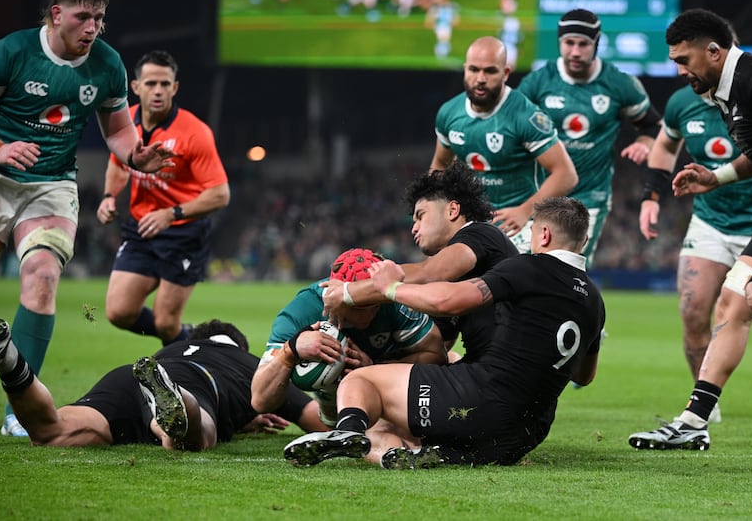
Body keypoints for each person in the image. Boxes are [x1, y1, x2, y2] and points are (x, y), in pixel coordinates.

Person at [0, 0, 176, 437]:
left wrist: (136, 157)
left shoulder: (107, 64)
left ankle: (17, 413)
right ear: (56, 15)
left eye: (99, 18)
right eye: (83, 17)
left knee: (42, 278)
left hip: (53, 185)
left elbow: (118, 129)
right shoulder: (11, 52)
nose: (93, 27)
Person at [284, 197, 605, 468]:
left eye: (534, 233)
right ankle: (405, 454)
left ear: (544, 234)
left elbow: (448, 300)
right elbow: (584, 376)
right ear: (584, 241)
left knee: (362, 381)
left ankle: (348, 432)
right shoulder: (594, 301)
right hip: (523, 436)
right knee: (391, 423)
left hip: (482, 401)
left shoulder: (527, 267)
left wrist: (391, 288)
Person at [629, 8, 752, 451]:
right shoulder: (724, 92)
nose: (679, 70)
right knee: (744, 297)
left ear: (714, 51)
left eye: (684, 60)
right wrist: (716, 177)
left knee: (741, 295)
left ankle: (692, 420)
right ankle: (694, 420)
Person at [0, 317, 326, 450]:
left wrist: (246, 420)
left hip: (131, 376)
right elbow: (315, 418)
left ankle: (10, 360)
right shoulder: (252, 365)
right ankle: (175, 404)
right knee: (192, 438)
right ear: (238, 346)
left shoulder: (175, 347)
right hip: (199, 384)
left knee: (51, 432)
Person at [96, 50, 230, 346]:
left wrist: (172, 213)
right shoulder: (125, 122)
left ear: (175, 87)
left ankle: (184, 357)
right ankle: (190, 340)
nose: (158, 91)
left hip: (184, 233)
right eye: (151, 83)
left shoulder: (195, 132)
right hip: (141, 227)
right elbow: (118, 165)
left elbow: (221, 195)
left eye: (165, 84)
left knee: (166, 322)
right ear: (136, 87)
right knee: (119, 312)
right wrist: (108, 197)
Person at [321, 160, 518, 360]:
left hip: (505, 366)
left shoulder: (481, 232)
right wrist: (372, 363)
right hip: (490, 365)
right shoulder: (454, 277)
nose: (413, 228)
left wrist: (348, 292)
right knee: (447, 360)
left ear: (452, 211)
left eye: (420, 216)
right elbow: (438, 346)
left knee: (360, 383)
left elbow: (428, 273)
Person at [517, 8, 661, 266]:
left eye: (583, 44)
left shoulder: (619, 83)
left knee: (563, 272)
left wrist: (644, 142)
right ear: (559, 42)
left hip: (590, 199)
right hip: (542, 197)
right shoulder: (538, 82)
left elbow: (653, 125)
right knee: (528, 270)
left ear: (596, 43)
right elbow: (512, 128)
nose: (575, 51)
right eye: (568, 43)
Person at [251, 247, 447, 431]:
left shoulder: (392, 301)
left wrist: (375, 370)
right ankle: (331, 406)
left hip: (390, 389)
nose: (371, 313)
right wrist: (290, 351)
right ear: (336, 295)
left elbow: (438, 355)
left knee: (454, 362)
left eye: (375, 304)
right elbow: (260, 400)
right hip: (332, 406)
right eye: (360, 306)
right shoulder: (302, 311)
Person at [429, 36, 578, 254]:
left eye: (490, 71)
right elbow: (440, 165)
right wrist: (434, 213)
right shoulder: (449, 113)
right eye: (473, 70)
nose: (480, 78)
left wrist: (525, 211)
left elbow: (566, 174)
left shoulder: (526, 116)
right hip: (472, 228)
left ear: (505, 74)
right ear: (465, 70)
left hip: (520, 228)